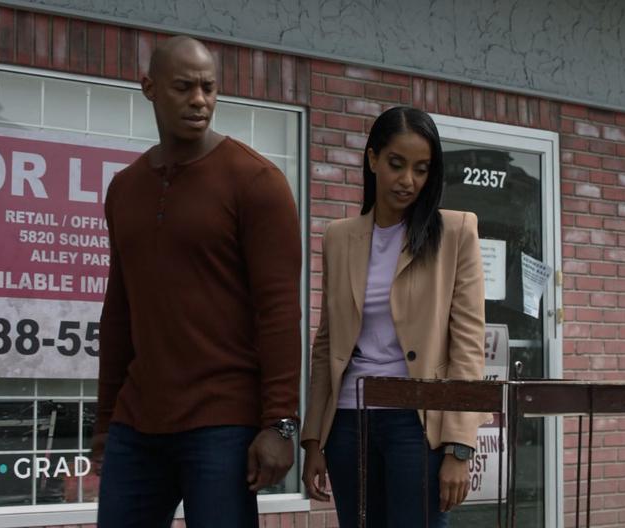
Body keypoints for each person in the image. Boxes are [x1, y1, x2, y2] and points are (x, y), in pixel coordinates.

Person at [91, 36, 302, 528]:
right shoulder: (125, 188)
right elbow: (119, 310)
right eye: (184, 87)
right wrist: (105, 419)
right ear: (149, 88)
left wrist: (280, 423)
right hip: (137, 424)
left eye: (208, 87)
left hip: (221, 425)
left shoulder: (256, 183)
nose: (199, 100)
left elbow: (278, 312)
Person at [300, 106, 487, 527]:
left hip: (416, 424)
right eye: (396, 164)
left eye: (421, 169)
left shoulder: (455, 232)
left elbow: (468, 345)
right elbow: (327, 342)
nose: (408, 181)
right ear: (372, 159)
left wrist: (460, 446)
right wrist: (314, 439)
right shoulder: (339, 237)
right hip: (349, 421)